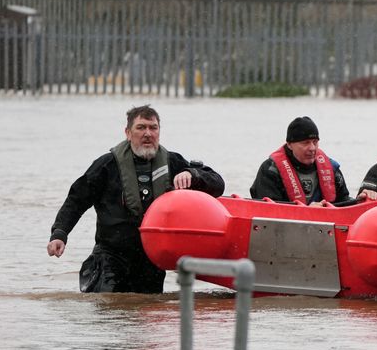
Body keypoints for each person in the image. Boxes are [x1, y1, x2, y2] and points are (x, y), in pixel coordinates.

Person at [46, 105, 225, 293]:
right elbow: (76, 200)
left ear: (159, 132)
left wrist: (193, 174)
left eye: (153, 128)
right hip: (111, 258)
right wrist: (60, 233)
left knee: (146, 311)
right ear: (128, 133)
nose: (147, 133)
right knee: (112, 311)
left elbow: (218, 184)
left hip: (151, 260)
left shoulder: (173, 163)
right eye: (141, 128)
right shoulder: (106, 165)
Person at [250, 116, 351, 205]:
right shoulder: (270, 170)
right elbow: (267, 211)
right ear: (289, 145)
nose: (312, 148)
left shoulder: (331, 168)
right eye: (305, 143)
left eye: (315, 142)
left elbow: (345, 202)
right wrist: (308, 211)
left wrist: (360, 200)